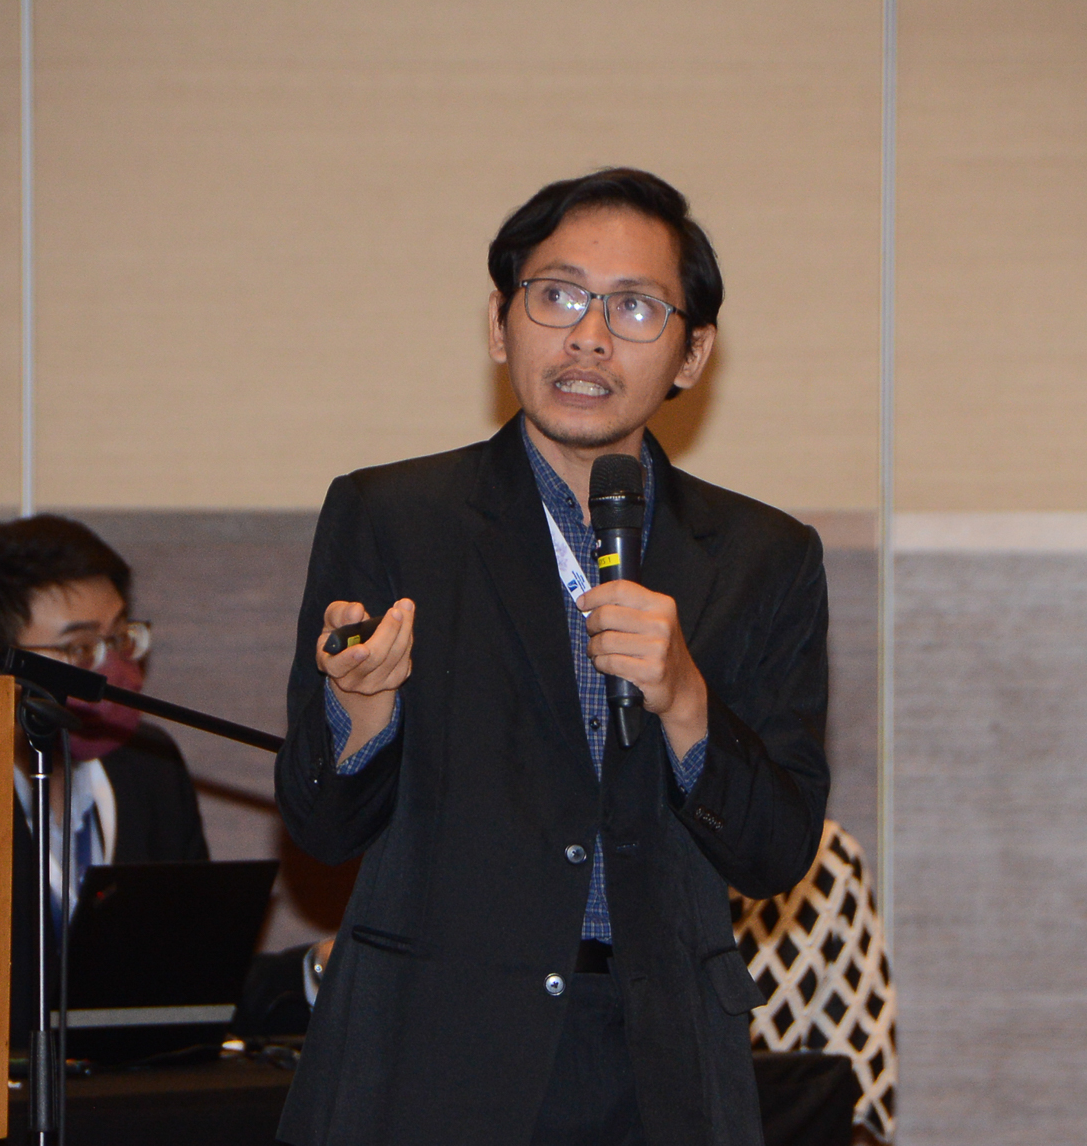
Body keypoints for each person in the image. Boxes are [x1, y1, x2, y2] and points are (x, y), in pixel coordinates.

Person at [275, 168, 831, 1146]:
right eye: (558, 296)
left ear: (693, 352)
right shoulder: (393, 517)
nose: (588, 337)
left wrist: (686, 701)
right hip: (433, 1053)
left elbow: (774, 854)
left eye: (635, 307)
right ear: (500, 325)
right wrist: (361, 714)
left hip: (662, 1065)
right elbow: (320, 827)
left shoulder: (763, 556)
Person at [0, 514, 209, 1041]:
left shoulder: (150, 768)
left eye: (121, 638)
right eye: (81, 648)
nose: (115, 669)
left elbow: (194, 974)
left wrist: (313, 970)